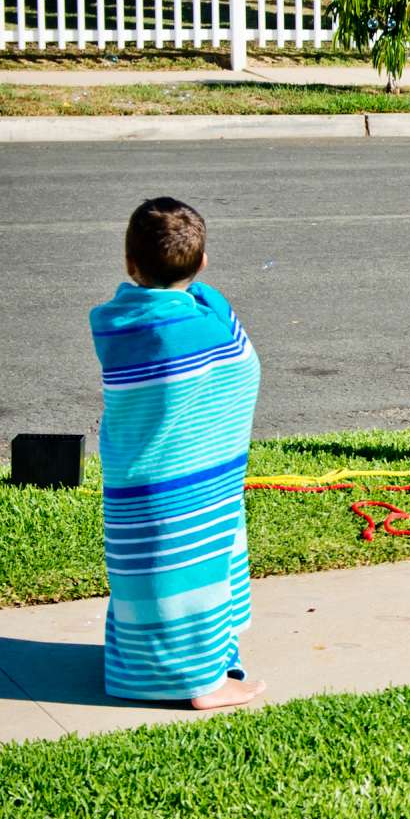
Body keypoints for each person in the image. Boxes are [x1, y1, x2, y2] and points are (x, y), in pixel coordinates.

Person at [90, 198, 264, 709]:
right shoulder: (206, 322)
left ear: (129, 264)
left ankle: (142, 669)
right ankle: (199, 683)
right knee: (192, 577)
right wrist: (201, 284)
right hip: (192, 478)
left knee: (146, 575)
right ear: (202, 263)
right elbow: (243, 368)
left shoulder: (116, 323)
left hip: (136, 477)